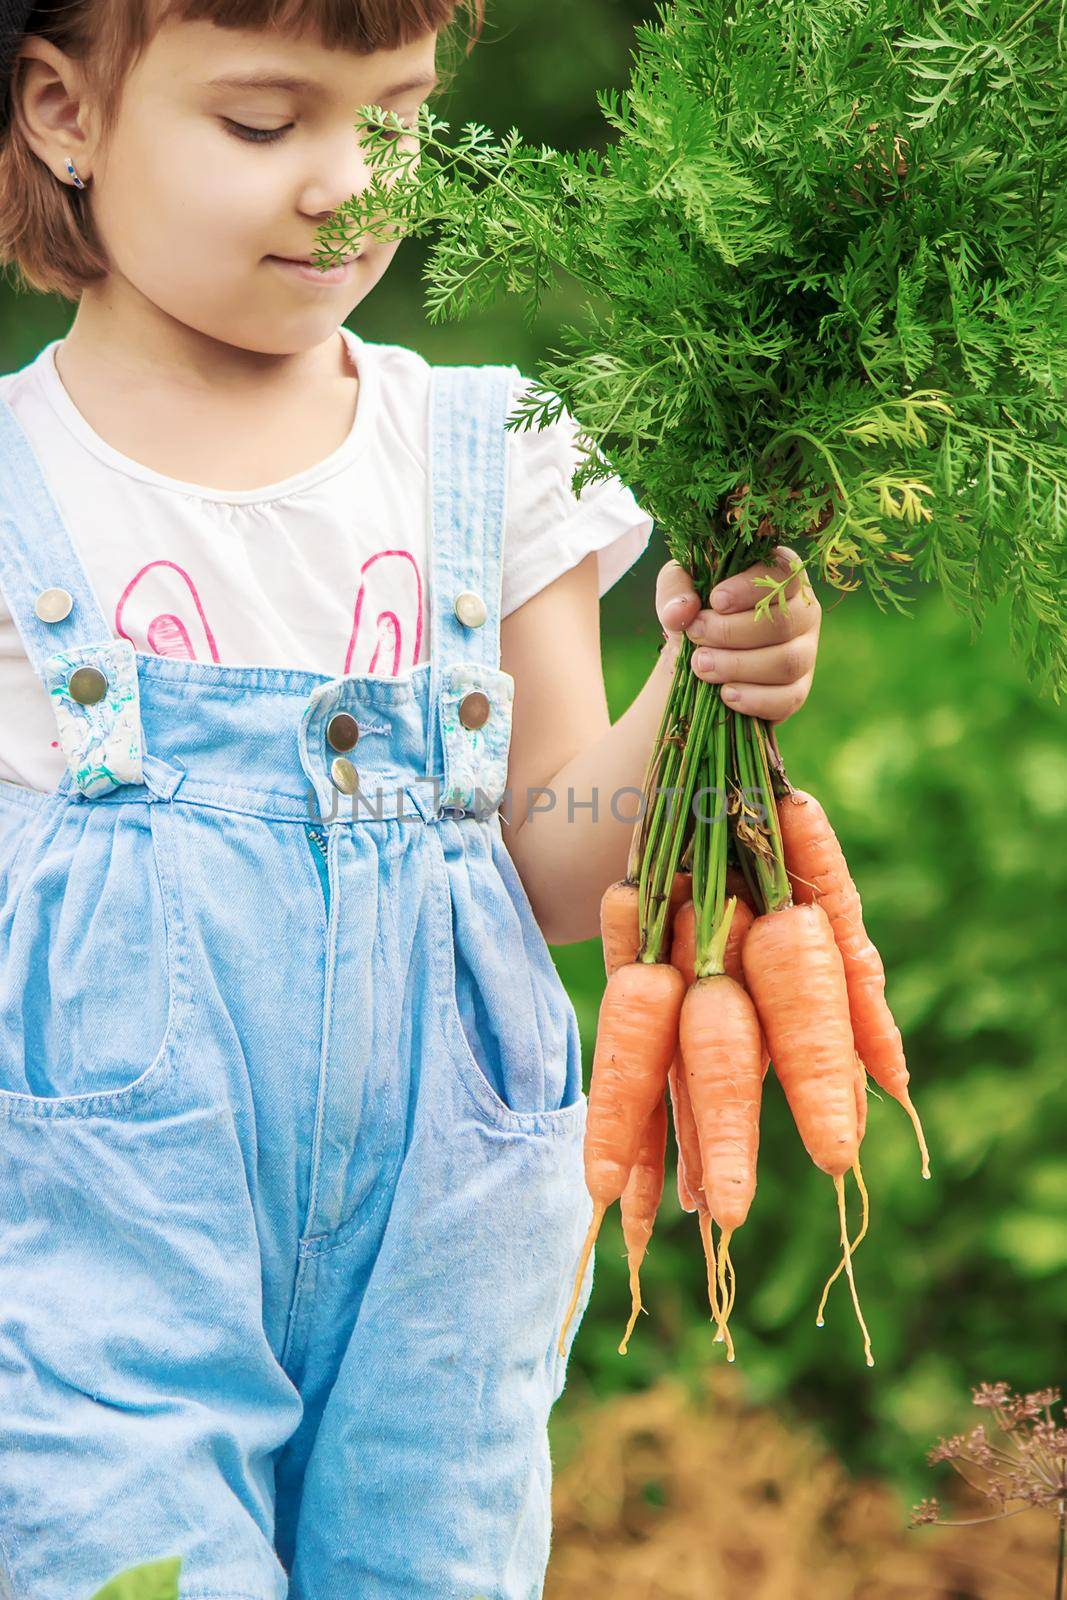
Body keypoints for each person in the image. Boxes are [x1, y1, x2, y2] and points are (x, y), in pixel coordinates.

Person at [0, 2, 823, 1596]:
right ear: (62, 114)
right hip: (105, 1248)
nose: (347, 184)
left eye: (396, 116)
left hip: (448, 1256)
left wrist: (697, 683)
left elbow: (558, 877)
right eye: (264, 125)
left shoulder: (486, 454)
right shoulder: (19, 486)